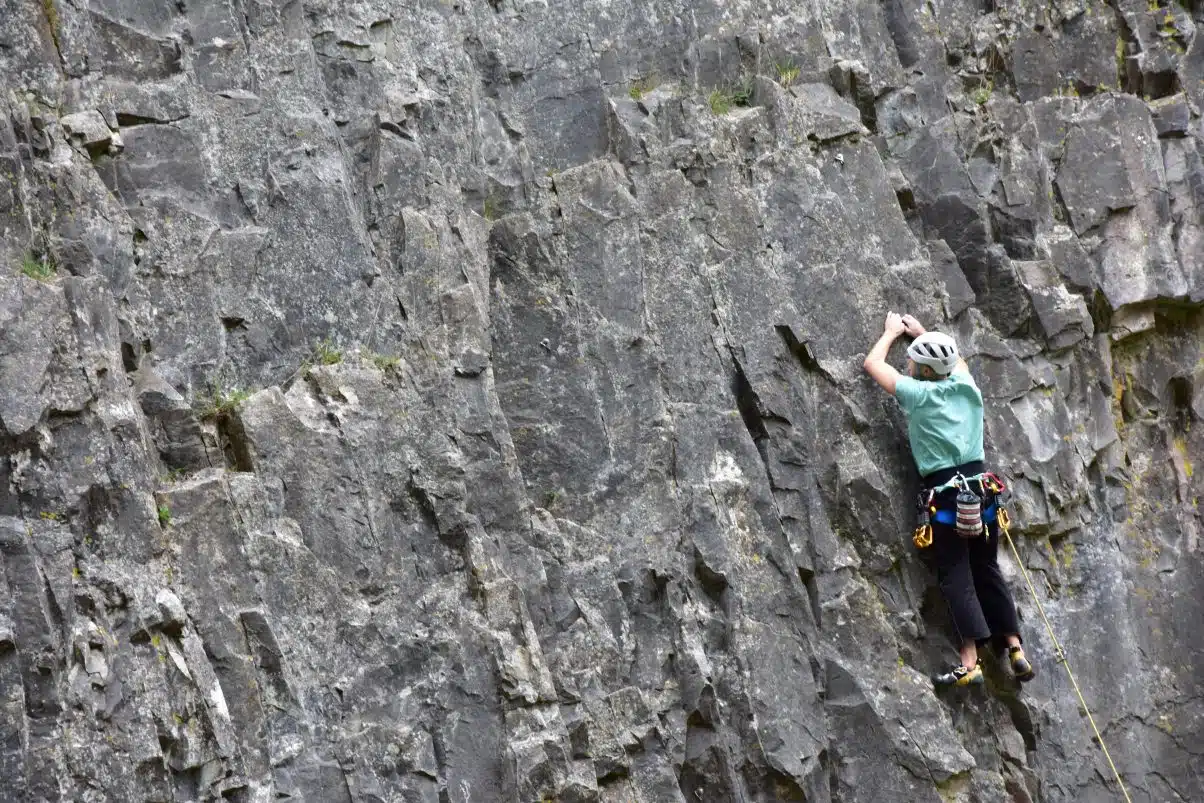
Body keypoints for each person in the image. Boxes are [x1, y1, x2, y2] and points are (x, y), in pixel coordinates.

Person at [862, 312, 1035, 688]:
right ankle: (1014, 645)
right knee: (987, 568)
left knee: (957, 576)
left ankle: (970, 662)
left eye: (913, 363)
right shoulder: (967, 387)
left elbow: (872, 364)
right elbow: (957, 362)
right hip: (984, 495)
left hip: (947, 501)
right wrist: (923, 334)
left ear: (923, 372)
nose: (908, 366)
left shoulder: (918, 394)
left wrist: (892, 333)